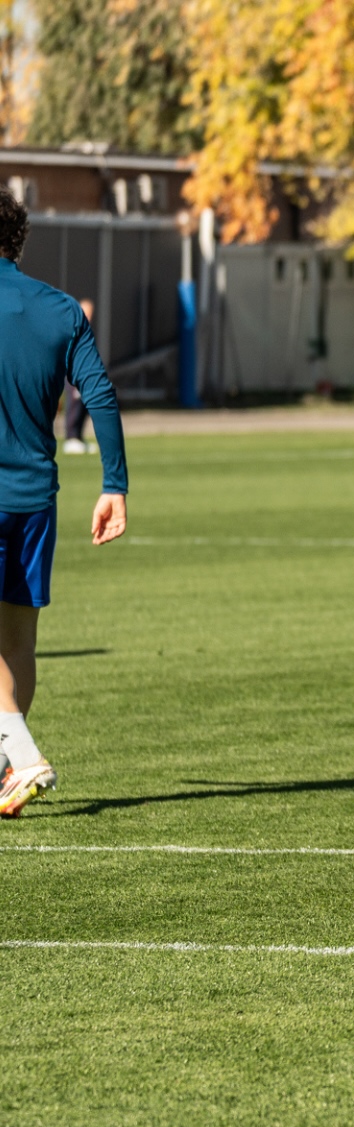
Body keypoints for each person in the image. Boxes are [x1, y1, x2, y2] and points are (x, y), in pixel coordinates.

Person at [0, 189, 129, 817]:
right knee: (18, 636)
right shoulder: (60, 309)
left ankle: (22, 756)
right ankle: (8, 768)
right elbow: (99, 395)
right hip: (35, 501)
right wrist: (114, 485)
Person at [60, 298, 96, 456]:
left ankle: (78, 437)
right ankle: (71, 438)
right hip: (74, 372)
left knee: (85, 404)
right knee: (75, 402)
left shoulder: (85, 330)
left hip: (84, 372)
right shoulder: (74, 329)